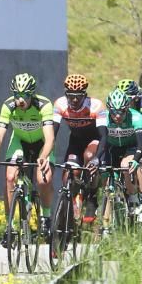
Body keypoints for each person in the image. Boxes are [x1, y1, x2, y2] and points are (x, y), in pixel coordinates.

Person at [0, 73, 56, 242]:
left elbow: (50, 138)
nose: (21, 100)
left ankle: (46, 216)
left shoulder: (44, 105)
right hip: (19, 142)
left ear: (31, 94)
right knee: (10, 177)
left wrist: (44, 157)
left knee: (43, 180)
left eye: (25, 95)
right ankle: (9, 226)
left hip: (41, 143)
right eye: (17, 95)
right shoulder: (8, 106)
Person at [52, 73, 107, 223]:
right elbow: (52, 134)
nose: (74, 100)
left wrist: (97, 159)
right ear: (66, 94)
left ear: (85, 95)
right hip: (75, 142)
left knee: (89, 157)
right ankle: (69, 213)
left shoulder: (96, 105)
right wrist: (45, 154)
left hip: (94, 139)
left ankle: (92, 198)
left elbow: (104, 136)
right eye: (71, 96)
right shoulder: (60, 104)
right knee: (69, 174)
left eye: (78, 96)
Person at [95, 89, 142, 228]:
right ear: (109, 110)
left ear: (127, 109)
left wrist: (136, 159)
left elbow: (141, 143)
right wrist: (97, 159)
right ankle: (106, 227)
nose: (117, 116)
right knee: (107, 184)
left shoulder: (136, 116)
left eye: (122, 112)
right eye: (114, 112)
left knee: (126, 166)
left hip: (130, 147)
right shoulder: (103, 117)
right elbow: (102, 140)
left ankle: (132, 198)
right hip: (111, 149)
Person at [116, 79, 142, 221]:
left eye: (127, 99)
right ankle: (131, 197)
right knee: (124, 167)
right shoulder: (116, 108)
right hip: (126, 140)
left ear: (135, 97)